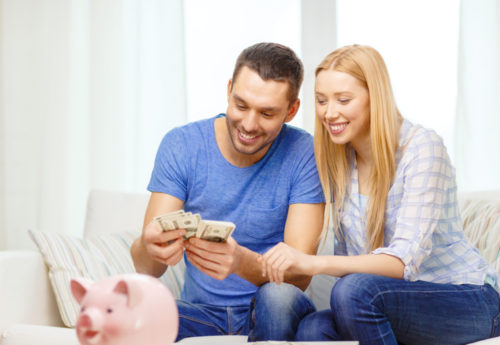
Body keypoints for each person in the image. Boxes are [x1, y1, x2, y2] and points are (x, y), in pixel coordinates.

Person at [259, 44, 500, 345]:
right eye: (321, 100)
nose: (329, 112)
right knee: (312, 329)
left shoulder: (422, 148)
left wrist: (311, 262)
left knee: (351, 292)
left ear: (376, 98)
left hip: (468, 299)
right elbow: (355, 267)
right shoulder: (339, 161)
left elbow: (401, 263)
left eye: (343, 99)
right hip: (392, 301)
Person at [130, 42, 325, 342]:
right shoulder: (182, 145)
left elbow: (299, 276)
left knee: (277, 299)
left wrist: (240, 263)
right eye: (241, 105)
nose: (248, 124)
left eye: (267, 113)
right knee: (141, 310)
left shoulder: (304, 153)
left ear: (292, 110)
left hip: (269, 311)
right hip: (201, 314)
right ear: (229, 89)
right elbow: (149, 267)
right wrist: (149, 245)